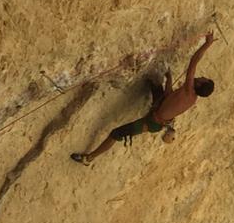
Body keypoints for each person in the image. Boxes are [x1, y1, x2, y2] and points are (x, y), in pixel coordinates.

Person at [71, 32, 216, 164]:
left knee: (116, 133)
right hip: (159, 112)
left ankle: (88, 158)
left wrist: (207, 44)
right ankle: (147, 75)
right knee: (155, 82)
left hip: (152, 122)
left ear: (200, 84)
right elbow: (169, 97)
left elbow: (194, 61)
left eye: (203, 78)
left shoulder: (188, 91)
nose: (201, 76)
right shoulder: (191, 98)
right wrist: (170, 78)